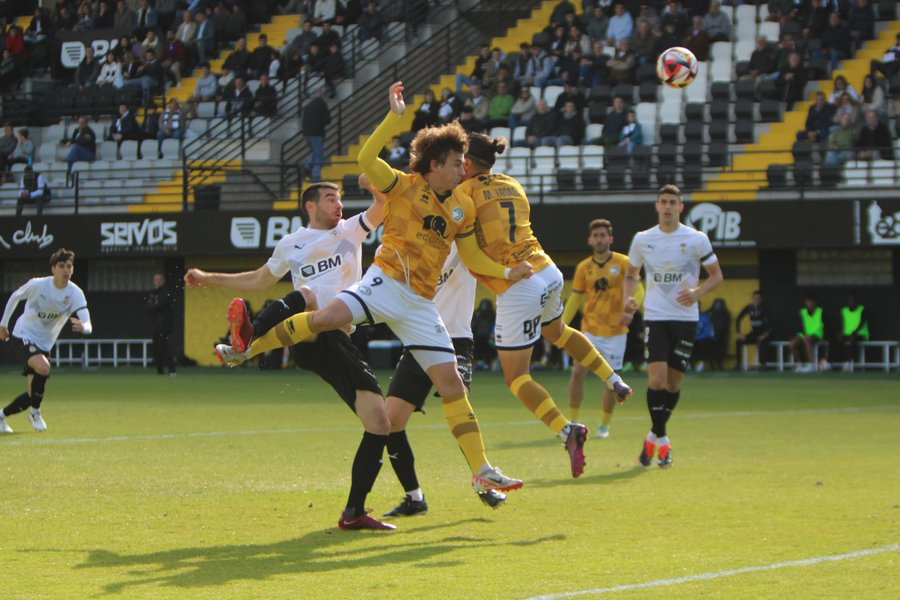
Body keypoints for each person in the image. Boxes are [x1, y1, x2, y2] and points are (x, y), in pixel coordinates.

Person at [216, 81, 528, 499]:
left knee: (451, 384)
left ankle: (482, 470)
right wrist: (395, 118)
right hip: (384, 282)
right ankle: (245, 349)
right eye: (456, 163)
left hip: (419, 303)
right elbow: (367, 158)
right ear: (434, 163)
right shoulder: (403, 184)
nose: (462, 170)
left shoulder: (463, 206)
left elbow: (473, 257)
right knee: (325, 318)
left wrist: (508, 274)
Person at [186, 181, 398, 530]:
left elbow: (384, 206)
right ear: (310, 206)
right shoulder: (291, 243)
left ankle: (354, 513)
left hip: (340, 342)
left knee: (379, 422)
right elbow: (258, 281)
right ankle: (248, 338)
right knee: (309, 293)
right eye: (331, 199)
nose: (338, 205)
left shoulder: (349, 231)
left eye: (341, 199)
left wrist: (376, 184)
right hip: (308, 332)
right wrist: (208, 276)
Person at [457, 133, 633, 478]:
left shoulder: (465, 193)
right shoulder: (513, 184)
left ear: (465, 163)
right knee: (559, 331)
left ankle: (568, 431)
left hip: (517, 283)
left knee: (517, 377)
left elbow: (468, 240)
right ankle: (613, 379)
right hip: (547, 269)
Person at [622, 184, 724, 468]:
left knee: (674, 383)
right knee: (656, 381)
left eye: (672, 202)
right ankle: (664, 440)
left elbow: (716, 276)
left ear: (681, 207)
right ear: (657, 206)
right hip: (656, 316)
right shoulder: (643, 239)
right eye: (663, 202)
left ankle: (653, 436)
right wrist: (627, 300)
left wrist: (697, 293)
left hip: (687, 319)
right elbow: (631, 273)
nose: (667, 207)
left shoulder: (696, 239)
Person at [563, 219, 643, 439]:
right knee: (577, 371)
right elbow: (575, 299)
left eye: (603, 235)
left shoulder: (624, 262)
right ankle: (574, 420)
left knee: (611, 382)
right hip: (590, 329)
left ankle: (604, 426)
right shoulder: (583, 268)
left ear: (611, 239)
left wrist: (632, 309)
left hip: (616, 332)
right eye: (595, 235)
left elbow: (640, 290)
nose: (599, 239)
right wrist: (560, 325)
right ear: (590, 239)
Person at [0, 249, 93, 434]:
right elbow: (16, 296)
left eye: (69, 266)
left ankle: (2, 415)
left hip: (44, 344)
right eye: (61, 266)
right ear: (53, 269)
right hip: (22, 334)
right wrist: (3, 324)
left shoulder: (75, 293)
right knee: (43, 367)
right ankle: (35, 413)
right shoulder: (38, 285)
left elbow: (87, 321)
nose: (65, 270)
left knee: (31, 394)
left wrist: (85, 327)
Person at [734, 290, 773, 370]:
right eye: (755, 298)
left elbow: (771, 325)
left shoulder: (765, 308)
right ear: (752, 298)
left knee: (763, 342)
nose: (756, 300)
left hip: (764, 334)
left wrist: (763, 336)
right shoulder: (749, 308)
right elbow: (738, 319)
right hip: (754, 333)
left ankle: (762, 364)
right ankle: (738, 364)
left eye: (758, 298)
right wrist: (738, 333)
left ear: (761, 299)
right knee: (739, 341)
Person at [146, 273, 176, 376]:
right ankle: (160, 370)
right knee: (155, 348)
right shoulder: (152, 293)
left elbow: (159, 305)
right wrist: (153, 306)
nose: (157, 282)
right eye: (155, 279)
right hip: (155, 325)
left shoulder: (165, 293)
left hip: (163, 325)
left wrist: (154, 306)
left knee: (163, 347)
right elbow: (149, 307)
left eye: (159, 280)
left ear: (163, 281)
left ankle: (172, 369)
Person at [789, 292, 825, 373]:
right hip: (804, 335)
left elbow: (824, 326)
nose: (810, 303)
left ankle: (811, 365)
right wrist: (804, 335)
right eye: (808, 301)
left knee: (807, 341)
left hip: (816, 335)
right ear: (805, 302)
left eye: (812, 301)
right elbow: (799, 326)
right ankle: (799, 364)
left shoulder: (820, 312)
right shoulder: (802, 312)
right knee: (792, 344)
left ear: (815, 302)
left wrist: (812, 336)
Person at [834, 291, 868, 372]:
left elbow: (862, 323)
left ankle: (849, 362)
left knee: (852, 339)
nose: (851, 301)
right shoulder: (844, 311)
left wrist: (854, 332)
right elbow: (840, 324)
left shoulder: (862, 309)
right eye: (849, 300)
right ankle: (829, 363)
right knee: (836, 338)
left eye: (853, 300)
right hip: (847, 334)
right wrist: (840, 334)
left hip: (860, 335)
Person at [302, 88, 331, 182]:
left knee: (315, 152)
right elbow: (327, 120)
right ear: (322, 96)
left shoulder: (309, 105)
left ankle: (307, 166)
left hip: (307, 134)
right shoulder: (322, 105)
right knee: (319, 156)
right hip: (317, 133)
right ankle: (315, 177)